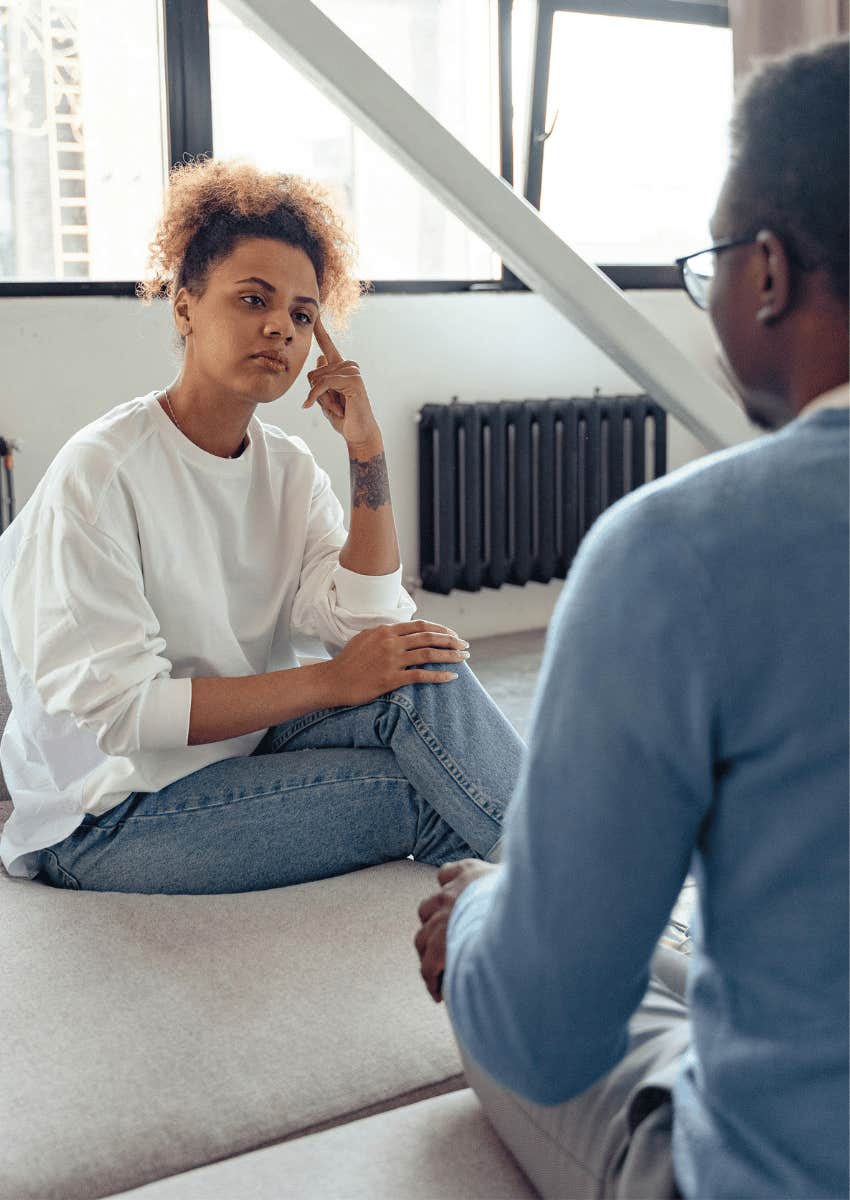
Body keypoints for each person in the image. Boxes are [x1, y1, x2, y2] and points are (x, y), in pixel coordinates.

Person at [415, 35, 849, 1200]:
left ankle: (486, 911)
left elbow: (545, 1037)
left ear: (766, 271)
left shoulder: (681, 551)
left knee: (507, 961)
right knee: (662, 953)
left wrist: (476, 940)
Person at [0, 158, 522, 892]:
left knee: (421, 670)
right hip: (108, 813)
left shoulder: (288, 467)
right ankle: (597, 908)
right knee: (427, 792)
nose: (281, 326)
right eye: (253, 299)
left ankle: (582, 885)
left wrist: (366, 450)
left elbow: (369, 622)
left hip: (241, 753)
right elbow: (128, 713)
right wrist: (331, 683)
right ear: (184, 309)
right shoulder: (103, 472)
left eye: (303, 314)